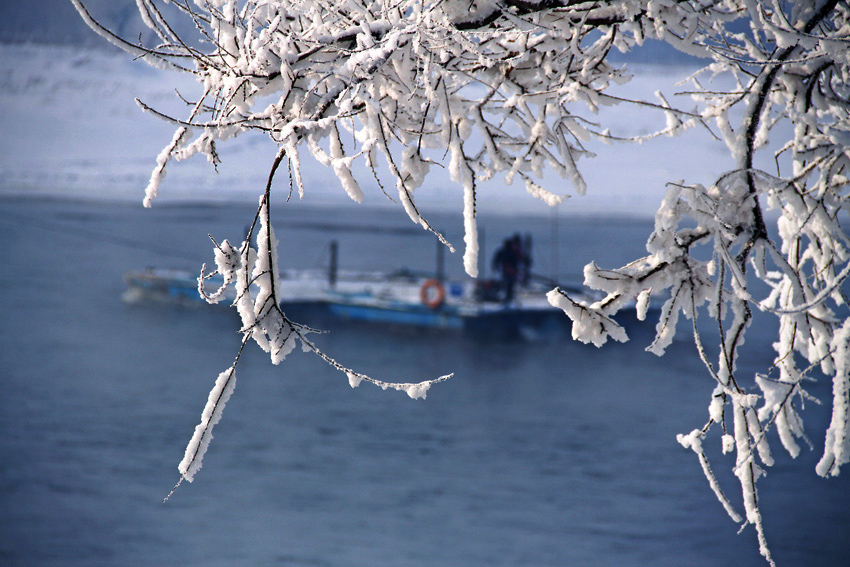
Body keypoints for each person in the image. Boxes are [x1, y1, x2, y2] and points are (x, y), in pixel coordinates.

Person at [492, 234, 523, 304]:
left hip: (509, 271)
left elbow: (497, 261)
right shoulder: (509, 252)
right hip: (509, 271)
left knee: (509, 285)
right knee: (509, 285)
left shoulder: (507, 252)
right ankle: (508, 298)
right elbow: (503, 263)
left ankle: (508, 298)